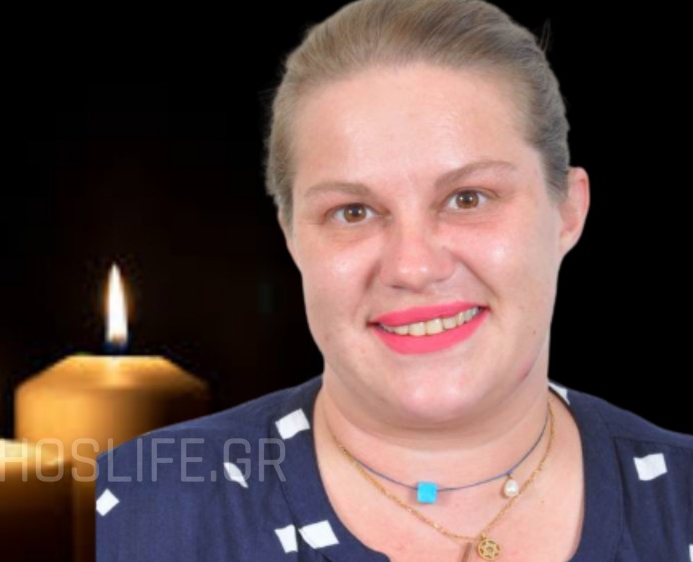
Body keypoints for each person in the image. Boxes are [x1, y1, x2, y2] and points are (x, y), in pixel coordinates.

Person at [95, 0, 693, 560]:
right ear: (292, 236)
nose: (413, 267)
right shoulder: (130, 511)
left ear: (568, 211)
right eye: (353, 212)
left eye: (468, 198)